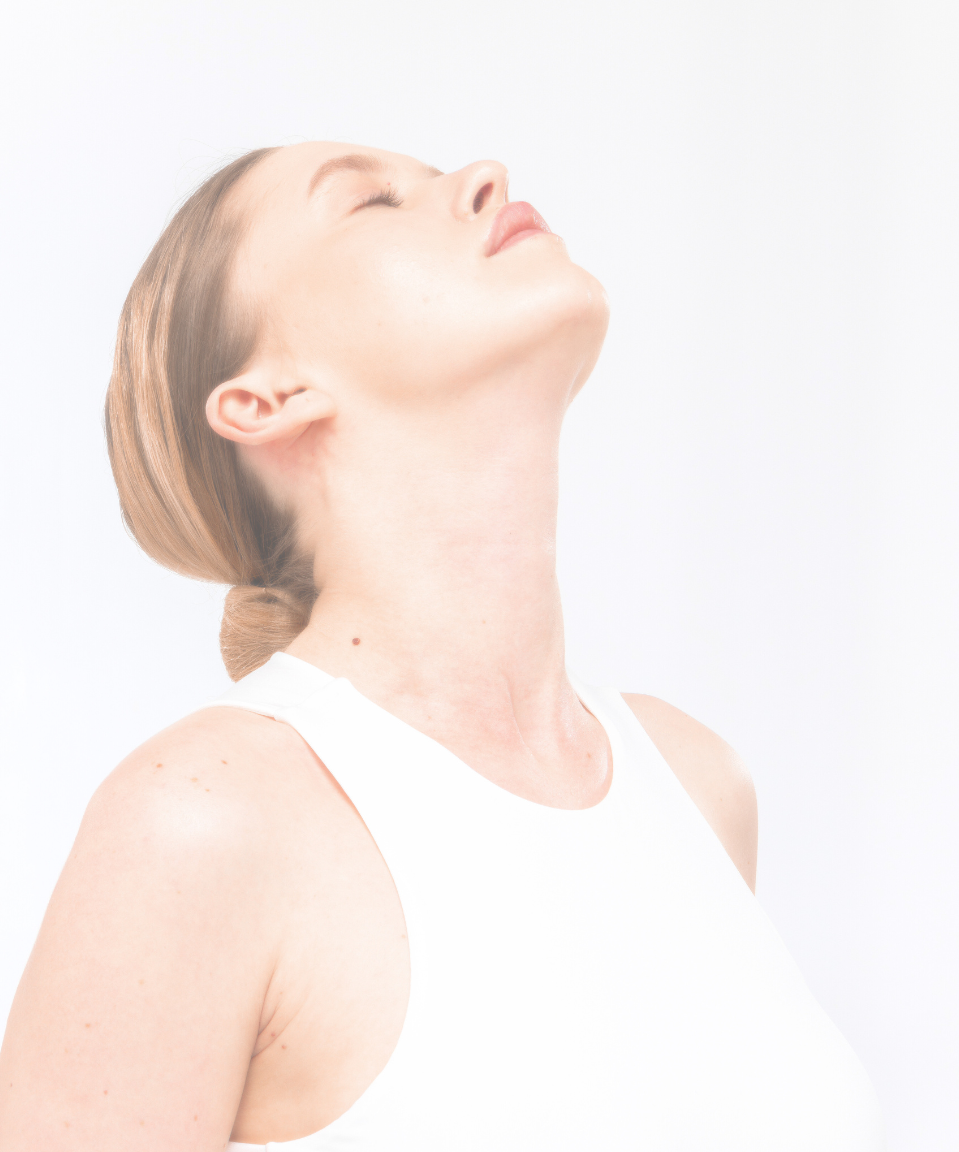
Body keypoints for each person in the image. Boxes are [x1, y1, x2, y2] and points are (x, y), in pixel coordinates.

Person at [0, 143, 885, 1150]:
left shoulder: (694, 781)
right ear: (269, 397)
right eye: (374, 200)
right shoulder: (199, 820)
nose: (484, 176)